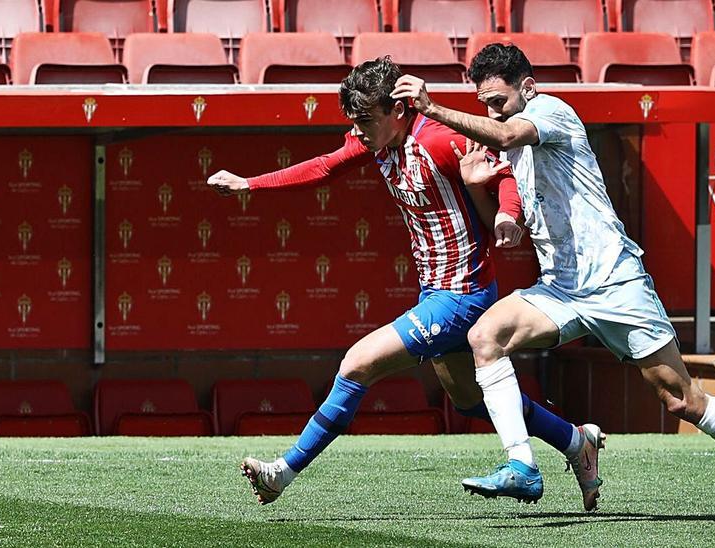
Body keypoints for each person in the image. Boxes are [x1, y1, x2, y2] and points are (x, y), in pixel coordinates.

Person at [390, 43, 715, 525]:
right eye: (484, 101)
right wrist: (477, 190)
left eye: (497, 100)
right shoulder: (517, 146)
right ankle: (522, 464)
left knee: (681, 399)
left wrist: (433, 109)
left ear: (527, 87)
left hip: (616, 283)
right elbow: (510, 228)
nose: (491, 111)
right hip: (562, 289)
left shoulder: (551, 111)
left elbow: (507, 134)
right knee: (485, 337)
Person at [206, 57, 608, 510]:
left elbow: (506, 172)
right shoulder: (377, 140)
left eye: (364, 120)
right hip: (435, 290)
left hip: (463, 295)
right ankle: (576, 442)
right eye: (352, 121)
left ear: (397, 111)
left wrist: (507, 216)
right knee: (471, 401)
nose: (356, 131)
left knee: (357, 363)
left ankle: (281, 473)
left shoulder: (438, 138)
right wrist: (249, 184)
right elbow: (323, 166)